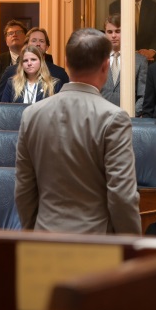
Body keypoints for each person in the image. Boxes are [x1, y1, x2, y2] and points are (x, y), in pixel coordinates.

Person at [15, 27, 141, 235]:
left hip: (42, 241)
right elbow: (122, 196)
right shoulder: (113, 118)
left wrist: (33, 234)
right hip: (94, 244)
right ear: (105, 66)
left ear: (66, 63)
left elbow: (24, 190)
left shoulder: (32, 114)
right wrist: (132, 246)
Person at [0, 27, 69, 101]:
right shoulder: (11, 73)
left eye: (41, 41)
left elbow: (65, 104)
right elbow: (0, 105)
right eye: (34, 41)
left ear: (47, 47)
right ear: (26, 45)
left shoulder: (59, 74)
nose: (37, 44)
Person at [100, 13, 148, 111]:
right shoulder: (97, 58)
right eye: (109, 32)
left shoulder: (139, 61)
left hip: (128, 119)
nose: (113, 36)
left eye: (118, 31)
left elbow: (143, 95)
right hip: (100, 117)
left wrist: (132, 115)